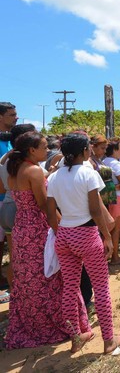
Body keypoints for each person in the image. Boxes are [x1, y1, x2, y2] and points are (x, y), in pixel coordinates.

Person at [47, 133, 120, 354]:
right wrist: (107, 237)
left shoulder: (53, 178)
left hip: (64, 236)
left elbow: (51, 213)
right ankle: (109, 341)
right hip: (87, 234)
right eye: (88, 148)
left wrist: (61, 232)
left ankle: (76, 337)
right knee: (101, 288)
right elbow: (94, 209)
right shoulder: (88, 174)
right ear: (84, 151)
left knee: (70, 289)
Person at [4, 131, 72, 349]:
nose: (47, 150)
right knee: (47, 274)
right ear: (32, 150)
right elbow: (45, 206)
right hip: (37, 227)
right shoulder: (33, 171)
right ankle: (49, 323)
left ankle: (30, 321)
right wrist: (62, 227)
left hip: (21, 227)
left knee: (28, 277)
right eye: (43, 147)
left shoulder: (14, 169)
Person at [0, 102, 17, 294]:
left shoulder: (11, 141)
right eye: (11, 114)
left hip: (12, 199)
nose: (15, 117)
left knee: (12, 248)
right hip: (4, 198)